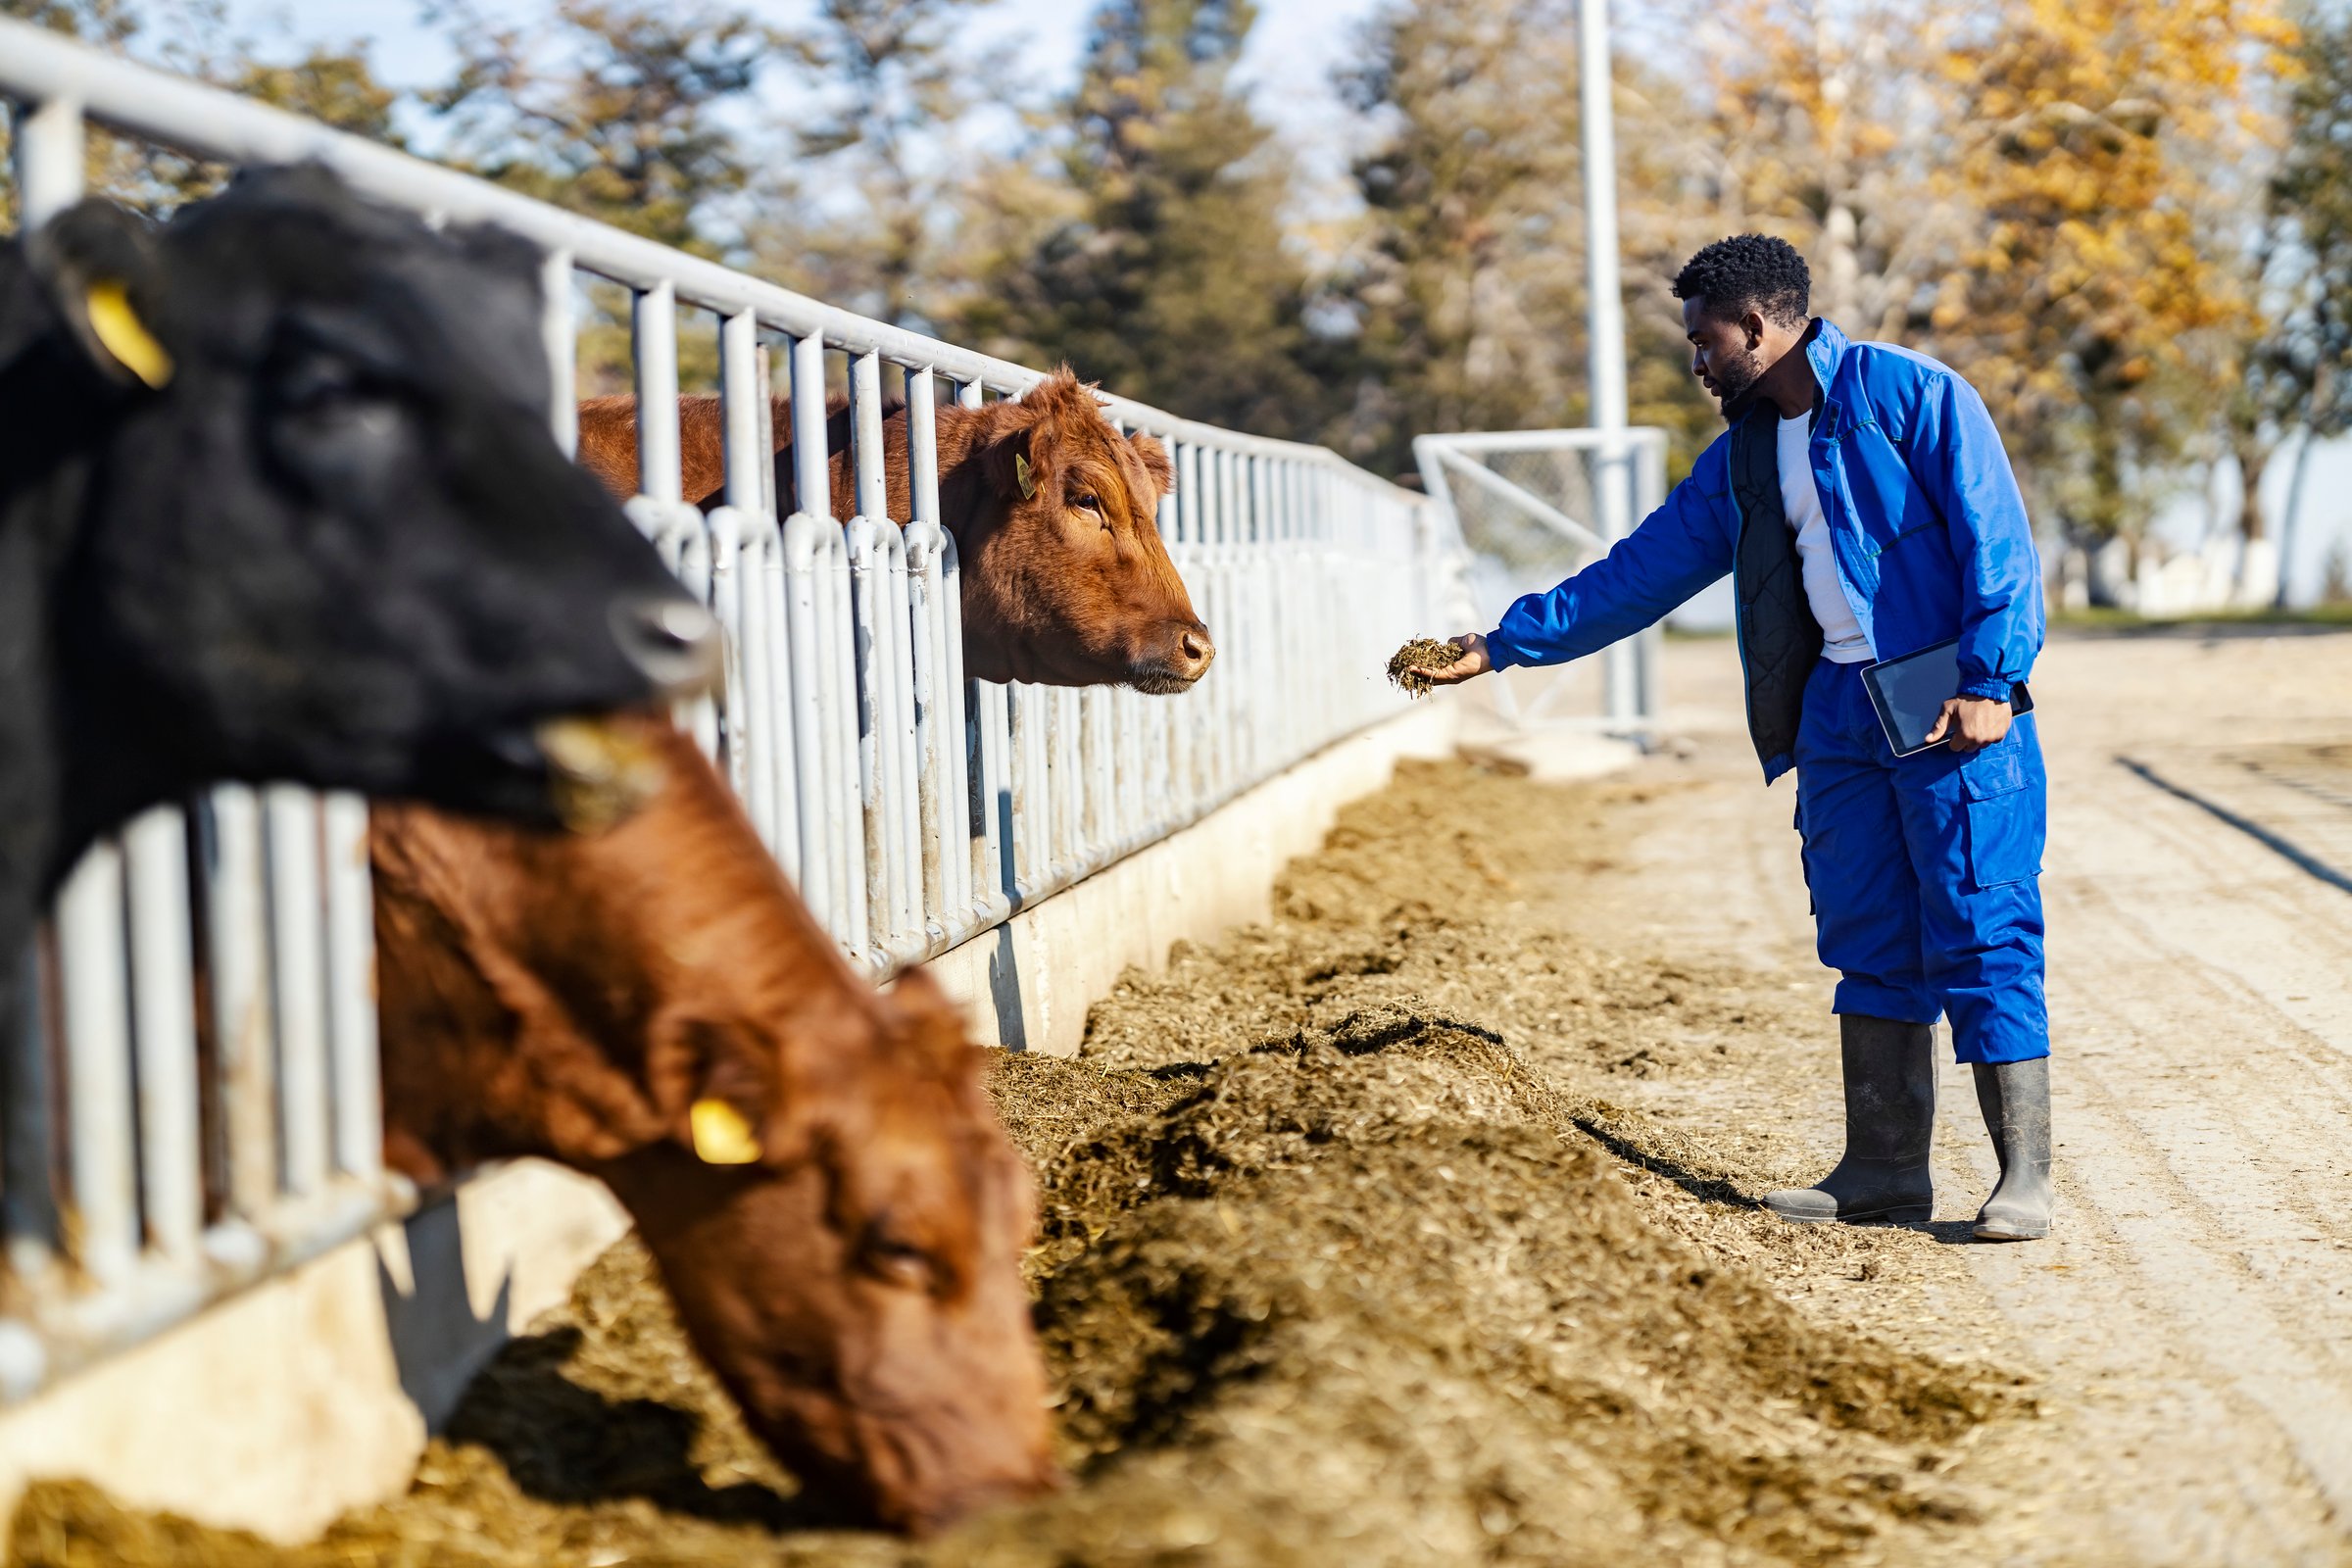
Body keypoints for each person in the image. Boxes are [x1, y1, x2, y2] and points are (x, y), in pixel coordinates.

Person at [1421, 234, 2052, 1242]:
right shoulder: (1746, 457)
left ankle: (2023, 1177)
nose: (1697, 362)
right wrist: (1501, 645)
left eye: (1702, 341)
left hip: (1943, 692)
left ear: (1756, 325)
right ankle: (1885, 1170)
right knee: (1868, 936)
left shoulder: (1916, 396)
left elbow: (1997, 544)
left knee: (1981, 920)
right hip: (1838, 709)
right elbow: (1641, 572)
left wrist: (1993, 679)